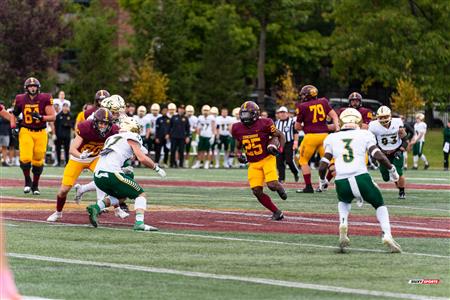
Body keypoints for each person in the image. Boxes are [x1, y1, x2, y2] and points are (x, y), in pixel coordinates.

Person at [318, 108, 401, 253]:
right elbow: (379, 156)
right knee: (379, 204)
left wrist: (322, 180)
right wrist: (392, 170)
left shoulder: (332, 137)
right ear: (358, 121)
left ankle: (343, 223)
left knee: (344, 201)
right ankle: (387, 234)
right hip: (361, 177)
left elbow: (324, 163)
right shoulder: (365, 134)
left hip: (341, 181)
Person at [86, 117, 166, 231]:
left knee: (121, 197)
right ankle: (139, 223)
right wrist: (156, 168)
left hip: (98, 176)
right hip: (112, 173)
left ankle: (95, 208)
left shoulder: (111, 137)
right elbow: (142, 157)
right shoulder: (132, 136)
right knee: (140, 195)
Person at [46, 108, 120, 222]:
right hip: (78, 158)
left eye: (106, 124)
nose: (103, 126)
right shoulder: (85, 127)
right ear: (95, 122)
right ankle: (58, 212)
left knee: (108, 180)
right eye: (101, 123)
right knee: (64, 190)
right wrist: (81, 156)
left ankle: (117, 209)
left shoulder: (114, 130)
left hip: (95, 158)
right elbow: (72, 149)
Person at [231, 101, 287, 220]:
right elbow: (237, 146)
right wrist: (239, 155)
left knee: (272, 185)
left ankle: (279, 187)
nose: (244, 117)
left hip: (267, 158)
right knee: (256, 191)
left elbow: (280, 135)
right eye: (243, 114)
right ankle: (277, 212)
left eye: (247, 114)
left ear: (255, 114)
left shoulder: (265, 123)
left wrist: (280, 149)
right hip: (253, 163)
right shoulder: (236, 127)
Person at [12, 77, 56, 195]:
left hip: (41, 131)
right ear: (26, 88)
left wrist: (41, 117)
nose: (32, 88)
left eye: (34, 86)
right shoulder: (20, 98)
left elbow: (52, 116)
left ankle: (35, 185)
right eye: (30, 86)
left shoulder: (45, 98)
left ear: (38, 87)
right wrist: (13, 127)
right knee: (25, 158)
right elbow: (14, 115)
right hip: (26, 130)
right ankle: (27, 181)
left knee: (38, 160)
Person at [294, 85, 339, 193]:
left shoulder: (302, 106)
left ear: (309, 94)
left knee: (303, 160)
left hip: (311, 137)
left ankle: (308, 187)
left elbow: (297, 127)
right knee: (330, 162)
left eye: (304, 94)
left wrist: (310, 127)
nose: (302, 96)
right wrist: (336, 127)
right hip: (325, 136)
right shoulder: (323, 101)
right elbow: (334, 116)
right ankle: (342, 184)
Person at [368, 106, 408, 199]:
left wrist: (400, 150)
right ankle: (394, 177)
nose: (383, 119)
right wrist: (374, 154)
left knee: (399, 172)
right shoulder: (373, 126)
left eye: (385, 116)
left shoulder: (397, 123)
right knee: (385, 178)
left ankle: (402, 192)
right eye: (381, 117)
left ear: (390, 116)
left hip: (396, 151)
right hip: (383, 153)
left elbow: (405, 140)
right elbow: (371, 141)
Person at [275, 106, 300, 183]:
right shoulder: (276, 123)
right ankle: (281, 178)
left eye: (284, 112)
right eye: (280, 113)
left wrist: (295, 143)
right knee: (279, 161)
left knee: (289, 160)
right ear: (278, 114)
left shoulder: (292, 122)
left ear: (287, 113)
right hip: (279, 144)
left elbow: (296, 133)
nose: (282, 114)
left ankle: (295, 172)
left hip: (289, 143)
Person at [0, 101, 11, 166]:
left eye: (2, 105)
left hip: (6, 133)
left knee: (5, 147)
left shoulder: (7, 113)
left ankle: (4, 161)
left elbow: (9, 119)